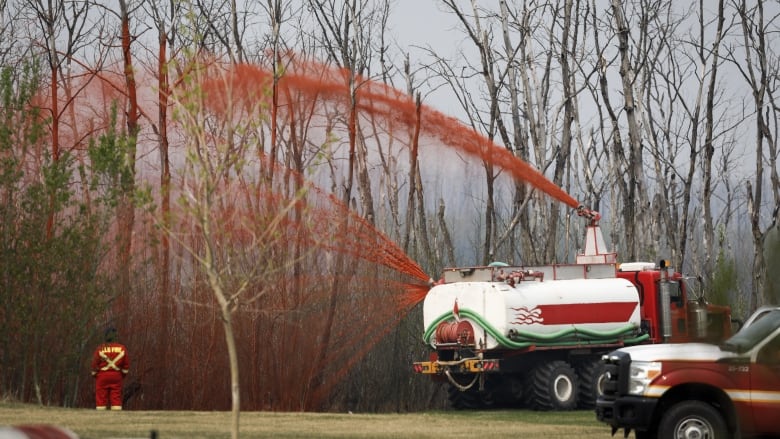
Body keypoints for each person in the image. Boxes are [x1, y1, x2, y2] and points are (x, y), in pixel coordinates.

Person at [91, 326, 130, 410]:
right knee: (116, 397)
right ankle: (116, 417)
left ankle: (100, 417)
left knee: (101, 398)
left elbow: (94, 364)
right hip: (116, 376)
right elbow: (126, 365)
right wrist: (121, 375)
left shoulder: (100, 348)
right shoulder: (122, 348)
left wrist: (95, 375)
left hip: (102, 376)